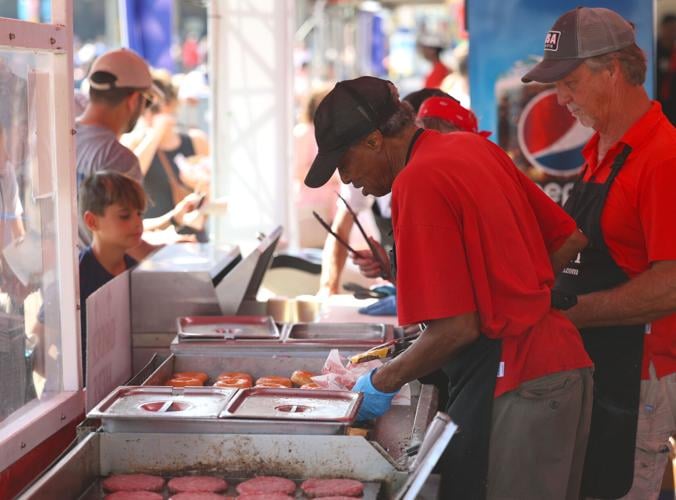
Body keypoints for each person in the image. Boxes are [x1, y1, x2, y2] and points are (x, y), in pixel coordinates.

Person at [304, 76, 592, 499]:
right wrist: (517, 285)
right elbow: (570, 238)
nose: (348, 179)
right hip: (563, 370)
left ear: (373, 141)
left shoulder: (416, 181)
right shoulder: (471, 148)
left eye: (343, 163)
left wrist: (380, 382)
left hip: (522, 382)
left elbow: (457, 328)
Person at [522, 7, 676, 499]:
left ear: (611, 70)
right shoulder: (603, 150)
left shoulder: (663, 157)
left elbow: (670, 285)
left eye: (568, 82)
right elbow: (585, 242)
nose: (560, 98)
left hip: (641, 376)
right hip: (600, 365)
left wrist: (567, 316)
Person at [317, 88, 449, 297]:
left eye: (344, 164)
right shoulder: (380, 171)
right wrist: (392, 269)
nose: (345, 178)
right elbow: (434, 284)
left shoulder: (427, 179)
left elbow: (456, 316)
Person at [76, 49, 197, 258]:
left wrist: (171, 220)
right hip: (104, 286)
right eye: (147, 101)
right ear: (133, 100)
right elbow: (125, 245)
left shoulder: (66, 138)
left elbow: (105, 229)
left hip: (71, 278)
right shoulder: (119, 159)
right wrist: (177, 250)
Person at [78, 171, 145, 378]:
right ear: (92, 221)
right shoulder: (77, 277)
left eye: (139, 214)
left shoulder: (135, 272)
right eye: (125, 215)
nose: (137, 223)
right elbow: (44, 336)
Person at [139, 73, 210, 242]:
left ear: (171, 105)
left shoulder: (196, 140)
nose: (149, 114)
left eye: (155, 107)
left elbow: (215, 191)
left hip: (193, 237)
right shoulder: (136, 143)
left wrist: (201, 186)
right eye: (144, 107)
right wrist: (155, 135)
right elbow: (129, 175)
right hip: (155, 240)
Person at [656, 14, 676, 124]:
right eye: (670, 29)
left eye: (674, 29)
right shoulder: (654, 50)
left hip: (673, 104)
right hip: (656, 99)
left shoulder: (674, 52)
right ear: (662, 28)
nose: (672, 33)